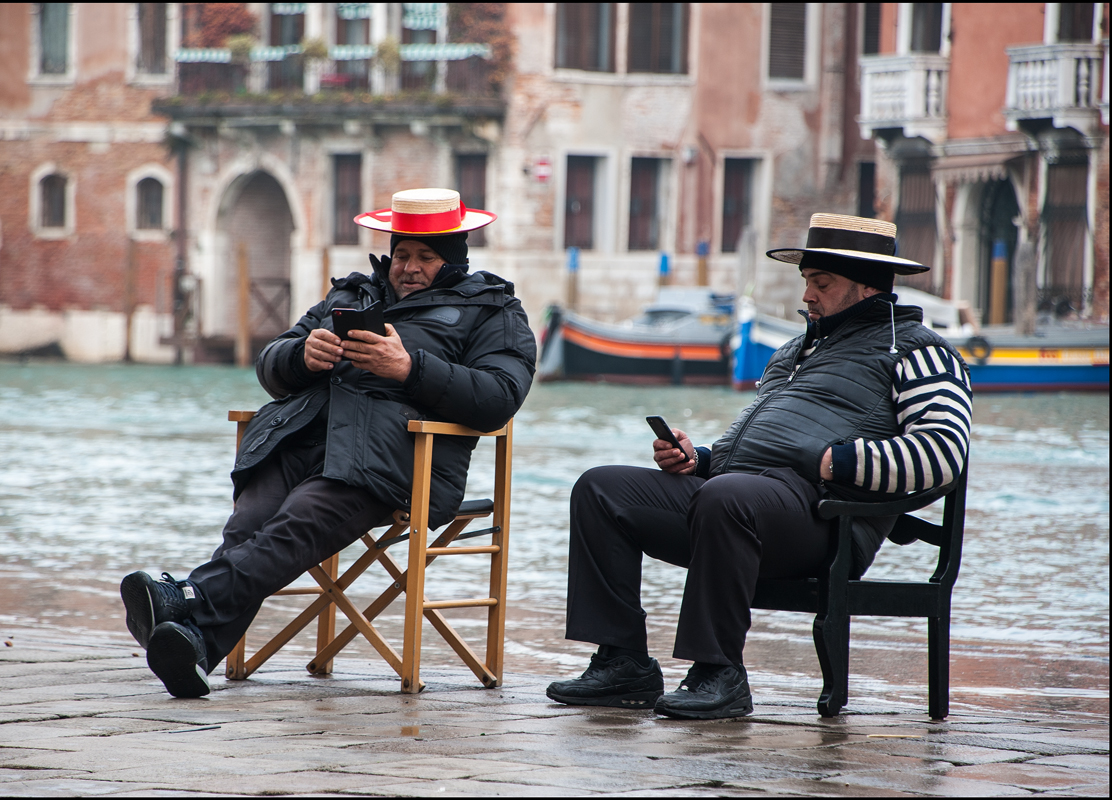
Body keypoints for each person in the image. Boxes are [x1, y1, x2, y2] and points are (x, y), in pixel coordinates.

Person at [546, 213, 973, 720]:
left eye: (822, 283)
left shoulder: (920, 353)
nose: (807, 296)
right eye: (807, 282)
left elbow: (944, 453)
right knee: (601, 489)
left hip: (824, 521)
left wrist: (839, 461)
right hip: (736, 499)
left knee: (726, 497)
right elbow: (750, 450)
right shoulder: (792, 351)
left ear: (865, 288)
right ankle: (623, 664)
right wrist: (698, 460)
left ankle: (719, 672)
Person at [121, 188, 537, 698]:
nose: (409, 267)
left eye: (425, 257)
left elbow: (500, 397)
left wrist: (409, 368)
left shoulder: (493, 309)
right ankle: (197, 646)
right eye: (402, 253)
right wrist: (302, 356)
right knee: (249, 525)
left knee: (297, 523)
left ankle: (186, 597)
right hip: (299, 439)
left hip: (393, 461)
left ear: (454, 258)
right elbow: (270, 364)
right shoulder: (350, 294)